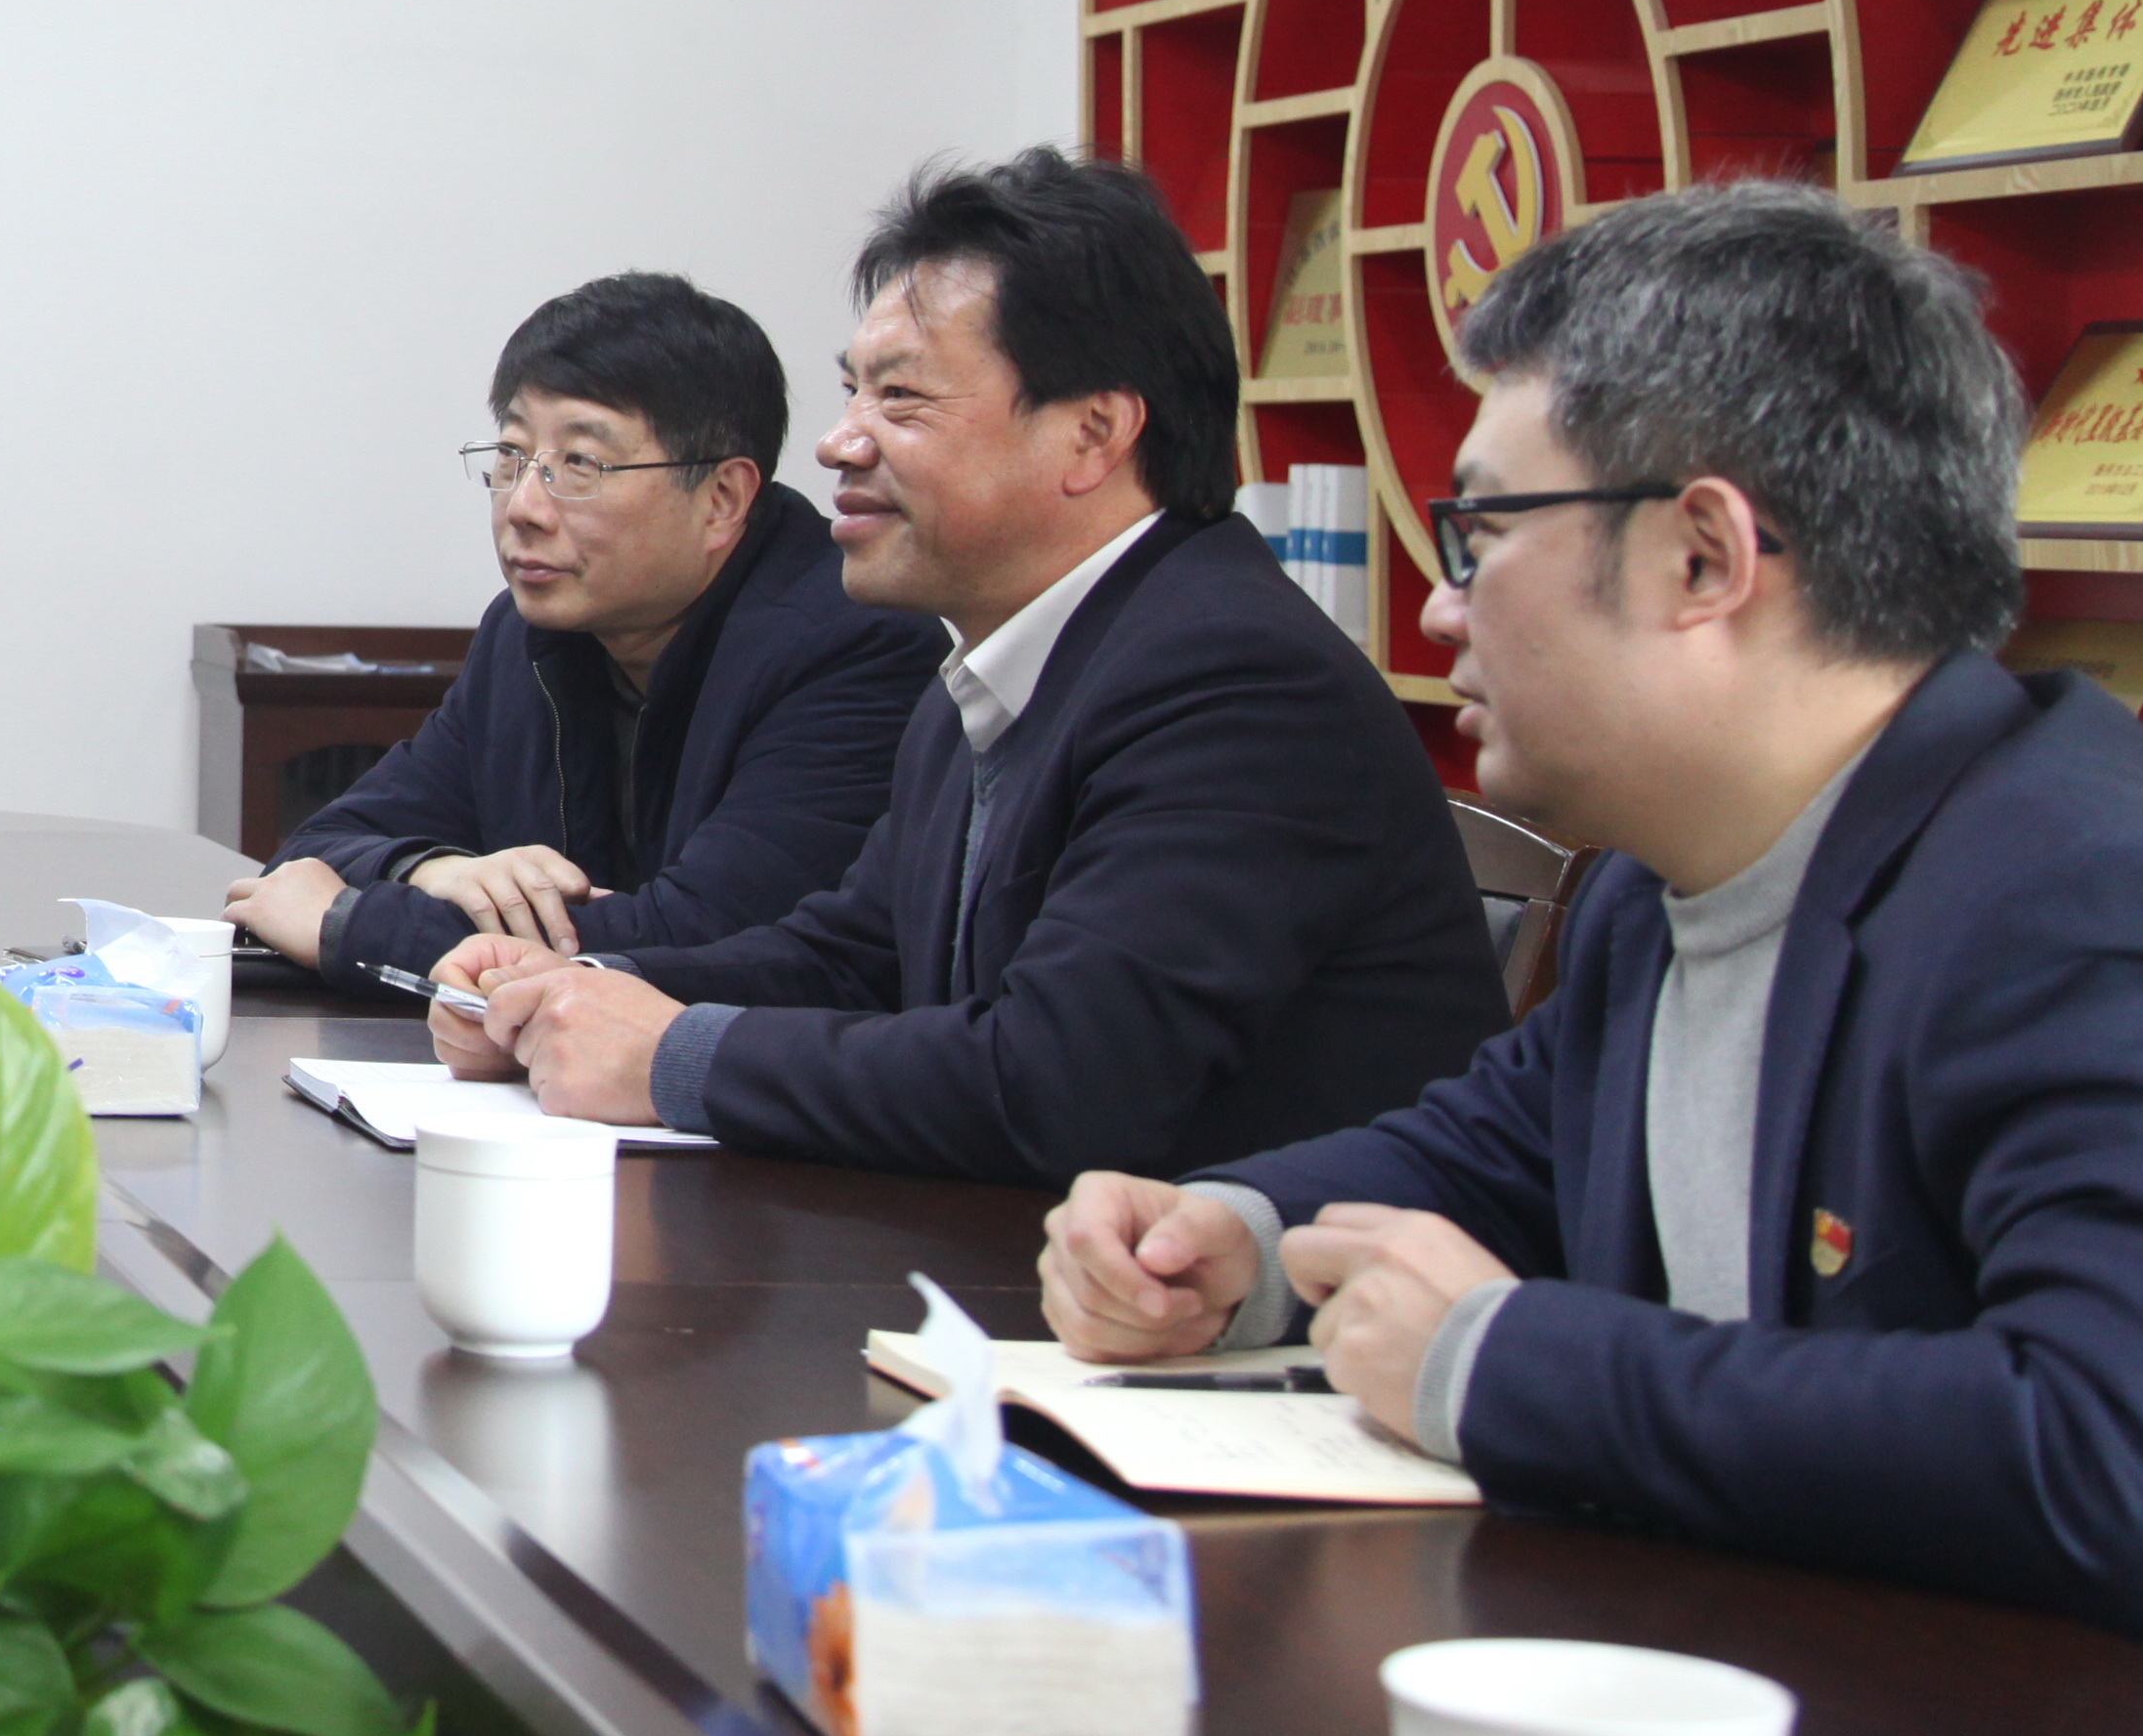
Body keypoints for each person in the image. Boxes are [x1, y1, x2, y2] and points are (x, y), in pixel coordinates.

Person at [1040, 184, 2143, 1641]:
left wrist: (1499, 1365)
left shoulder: (2076, 893)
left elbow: (2118, 1453)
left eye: (1481, 532)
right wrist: (1231, 1236)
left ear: (1703, 556)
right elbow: (1503, 1146)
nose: (1441, 607)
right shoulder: (1665, 872)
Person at [446, 149, 1497, 1183]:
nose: (838, 443)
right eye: (852, 392)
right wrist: (573, 991)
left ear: (1093, 434)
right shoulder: (1007, 657)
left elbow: (1061, 1080)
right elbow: (855, 958)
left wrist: (671, 1056)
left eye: (900, 399)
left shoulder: (1234, 680)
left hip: (1253, 1284)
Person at [225, 274, 930, 985]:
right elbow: (312, 855)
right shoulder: (524, 636)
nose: (523, 507)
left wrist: (352, 925)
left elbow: (701, 939)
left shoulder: (852, 642)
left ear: (721, 499)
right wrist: (432, 868)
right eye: (511, 458)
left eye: (581, 465)